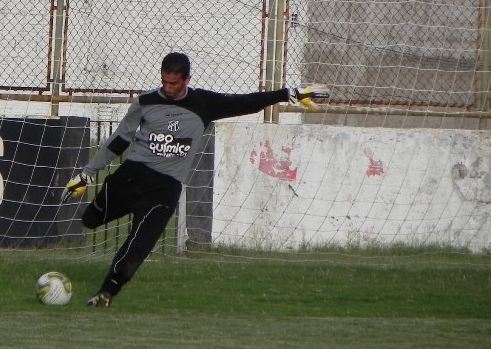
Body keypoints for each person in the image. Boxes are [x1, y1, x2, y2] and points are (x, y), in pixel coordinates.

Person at [62, 52, 329, 307]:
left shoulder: (203, 103)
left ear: (187, 80)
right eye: (164, 81)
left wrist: (288, 94)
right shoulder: (144, 103)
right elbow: (119, 140)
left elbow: (245, 102)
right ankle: (105, 224)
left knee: (139, 244)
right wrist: (86, 173)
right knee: (91, 219)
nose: (168, 87)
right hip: (132, 176)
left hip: (165, 187)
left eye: (174, 83)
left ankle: (107, 292)